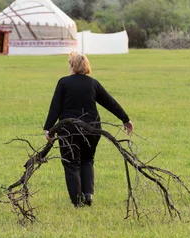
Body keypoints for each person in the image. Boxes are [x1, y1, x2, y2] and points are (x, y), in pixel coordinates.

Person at [43, 52, 134, 207]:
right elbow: (110, 102)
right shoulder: (93, 83)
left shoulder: (63, 83)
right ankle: (88, 195)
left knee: (71, 163)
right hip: (92, 129)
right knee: (87, 160)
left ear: (72, 66)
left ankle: (77, 201)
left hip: (69, 129)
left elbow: (55, 107)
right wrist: (125, 119)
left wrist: (48, 128)